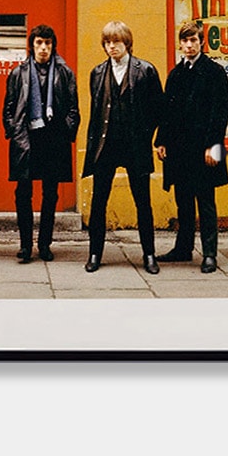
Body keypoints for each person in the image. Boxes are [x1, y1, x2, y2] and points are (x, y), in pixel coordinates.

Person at [82, 20, 163, 274]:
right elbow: (96, 112)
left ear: (126, 42)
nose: (111, 46)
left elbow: (157, 110)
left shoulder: (146, 70)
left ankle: (149, 254)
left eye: (116, 41)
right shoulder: (97, 73)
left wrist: (145, 135)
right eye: (107, 42)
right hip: (105, 146)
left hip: (135, 146)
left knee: (143, 202)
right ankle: (95, 253)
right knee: (99, 202)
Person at [155, 20, 228, 273]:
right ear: (180, 43)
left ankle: (209, 253)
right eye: (185, 41)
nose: (189, 45)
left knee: (206, 201)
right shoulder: (176, 74)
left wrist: (213, 147)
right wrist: (161, 141)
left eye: (193, 41)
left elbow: (220, 114)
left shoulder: (214, 72)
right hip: (179, 150)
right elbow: (167, 111)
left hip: (204, 150)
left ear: (201, 43)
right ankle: (183, 248)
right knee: (183, 201)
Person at [3, 25, 80, 263]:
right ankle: (25, 246)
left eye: (47, 43)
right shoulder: (19, 72)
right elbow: (8, 107)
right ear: (32, 45)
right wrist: (15, 132)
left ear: (52, 45)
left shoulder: (64, 72)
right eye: (39, 43)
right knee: (23, 193)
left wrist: (65, 131)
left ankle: (44, 244)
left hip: (53, 139)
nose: (43, 48)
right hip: (26, 139)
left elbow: (73, 108)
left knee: (50, 194)